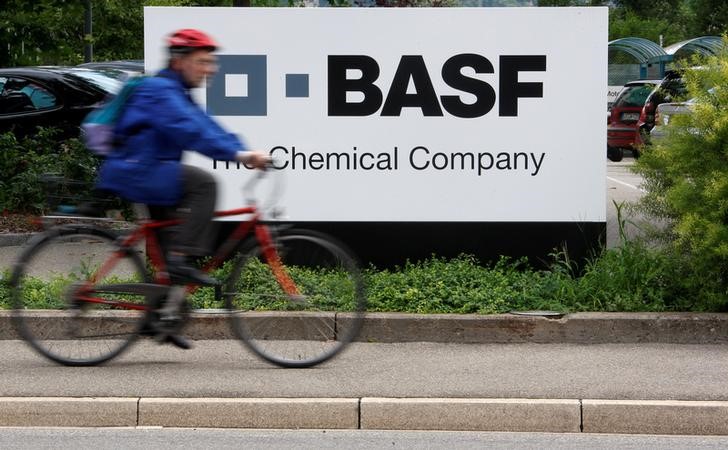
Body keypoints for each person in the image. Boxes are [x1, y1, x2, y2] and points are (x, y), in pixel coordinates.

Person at [96, 29, 270, 348]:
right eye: (202, 62)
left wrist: (241, 150)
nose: (210, 69)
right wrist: (239, 156)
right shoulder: (159, 91)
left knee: (167, 246)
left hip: (149, 172)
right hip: (140, 170)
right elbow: (189, 130)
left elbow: (207, 125)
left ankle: (158, 317)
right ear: (179, 61)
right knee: (204, 184)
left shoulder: (177, 92)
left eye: (211, 63)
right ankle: (181, 260)